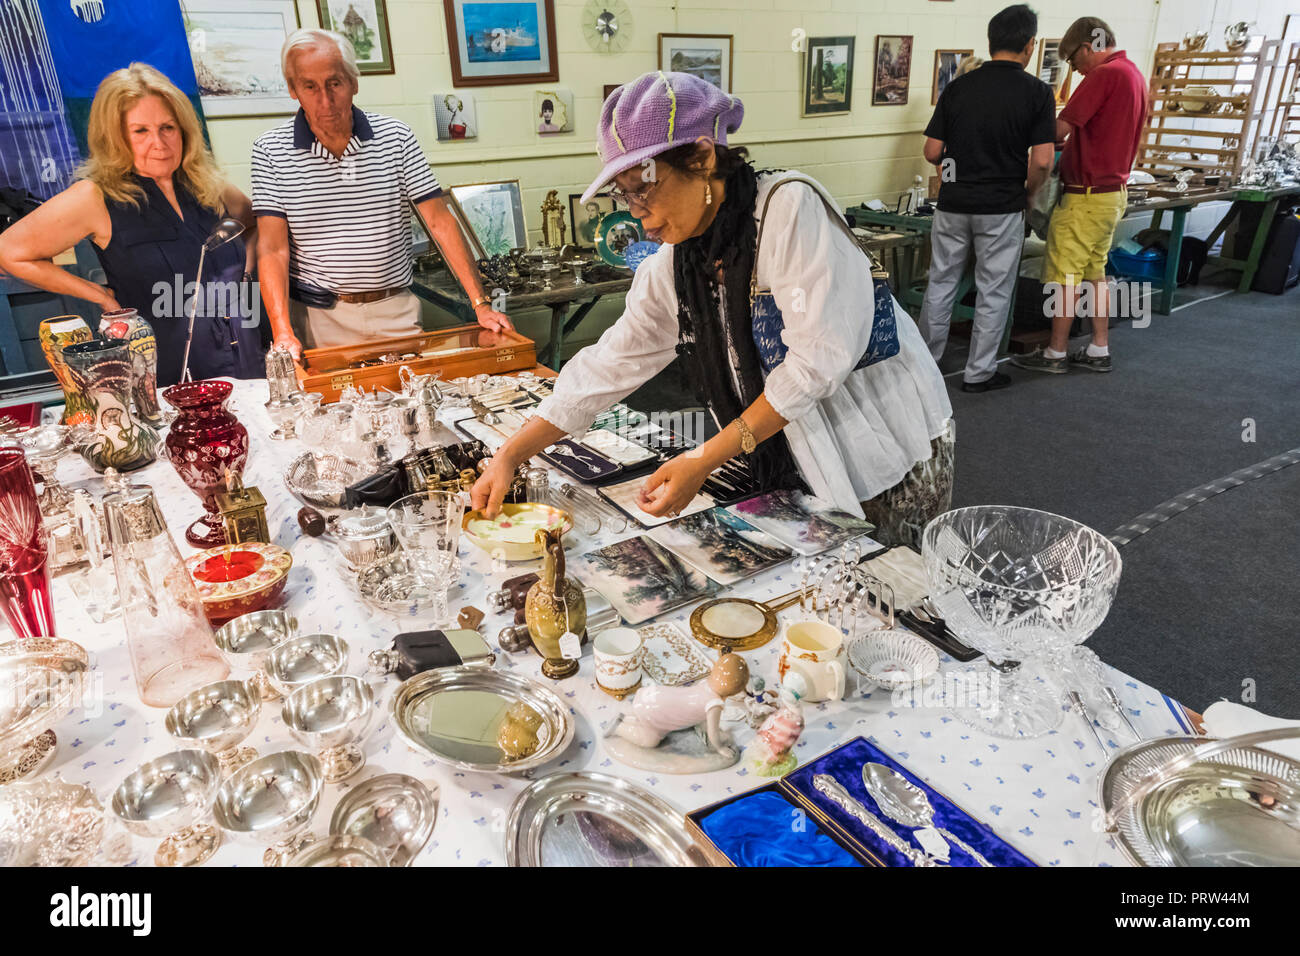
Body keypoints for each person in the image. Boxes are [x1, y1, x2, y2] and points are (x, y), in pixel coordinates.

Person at [473, 71, 953, 549]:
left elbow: (815, 364)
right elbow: (611, 362)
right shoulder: (678, 262)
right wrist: (511, 454)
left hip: (881, 441)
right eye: (623, 193)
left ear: (702, 158)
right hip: (795, 449)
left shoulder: (787, 211)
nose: (635, 210)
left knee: (885, 593)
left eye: (643, 187)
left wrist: (704, 459)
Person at [0, 63, 263, 386]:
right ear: (115, 138)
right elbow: (9, 251)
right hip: (169, 369)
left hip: (244, 353)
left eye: (168, 127)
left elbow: (254, 223)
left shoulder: (209, 184)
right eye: (140, 131)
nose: (160, 143)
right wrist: (99, 296)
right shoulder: (95, 197)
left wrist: (245, 273)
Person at [252, 29, 510, 357]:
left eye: (335, 83)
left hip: (395, 308)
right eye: (310, 86)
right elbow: (272, 249)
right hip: (320, 318)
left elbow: (439, 222)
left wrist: (481, 304)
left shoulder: (396, 137)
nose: (325, 101)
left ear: (354, 82)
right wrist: (282, 331)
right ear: (293, 89)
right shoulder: (270, 150)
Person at [919, 4, 1056, 393]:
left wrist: (955, 174)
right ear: (1030, 46)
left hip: (953, 203)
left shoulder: (958, 87)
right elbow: (1043, 162)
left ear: (991, 41)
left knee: (941, 282)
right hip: (1001, 205)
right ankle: (979, 373)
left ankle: (926, 365)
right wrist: (1028, 194)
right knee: (993, 289)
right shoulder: (1037, 92)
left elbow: (932, 151)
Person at [1012, 16, 1147, 376]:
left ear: (1089, 47)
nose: (1076, 69)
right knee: (1094, 273)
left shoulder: (1104, 75)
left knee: (1063, 275)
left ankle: (1055, 352)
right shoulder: (1133, 74)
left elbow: (1060, 127)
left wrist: (1018, 129)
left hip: (1085, 197)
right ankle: (1099, 347)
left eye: (1073, 59)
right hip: (1111, 195)